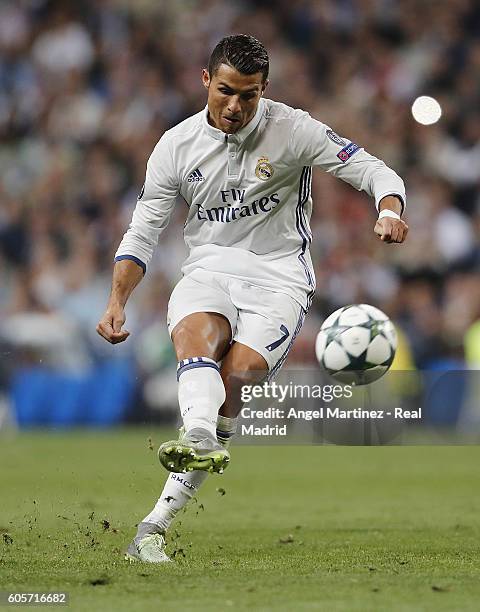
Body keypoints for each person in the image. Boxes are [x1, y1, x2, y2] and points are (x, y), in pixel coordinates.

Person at [96, 34, 408, 563]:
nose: (235, 106)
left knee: (236, 377)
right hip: (209, 267)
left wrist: (390, 208)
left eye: (249, 95)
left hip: (280, 277)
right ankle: (196, 434)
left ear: (265, 90)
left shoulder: (295, 129)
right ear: (204, 81)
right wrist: (116, 301)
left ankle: (155, 522)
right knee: (196, 339)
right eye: (225, 92)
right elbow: (142, 233)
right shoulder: (175, 146)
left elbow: (375, 169)